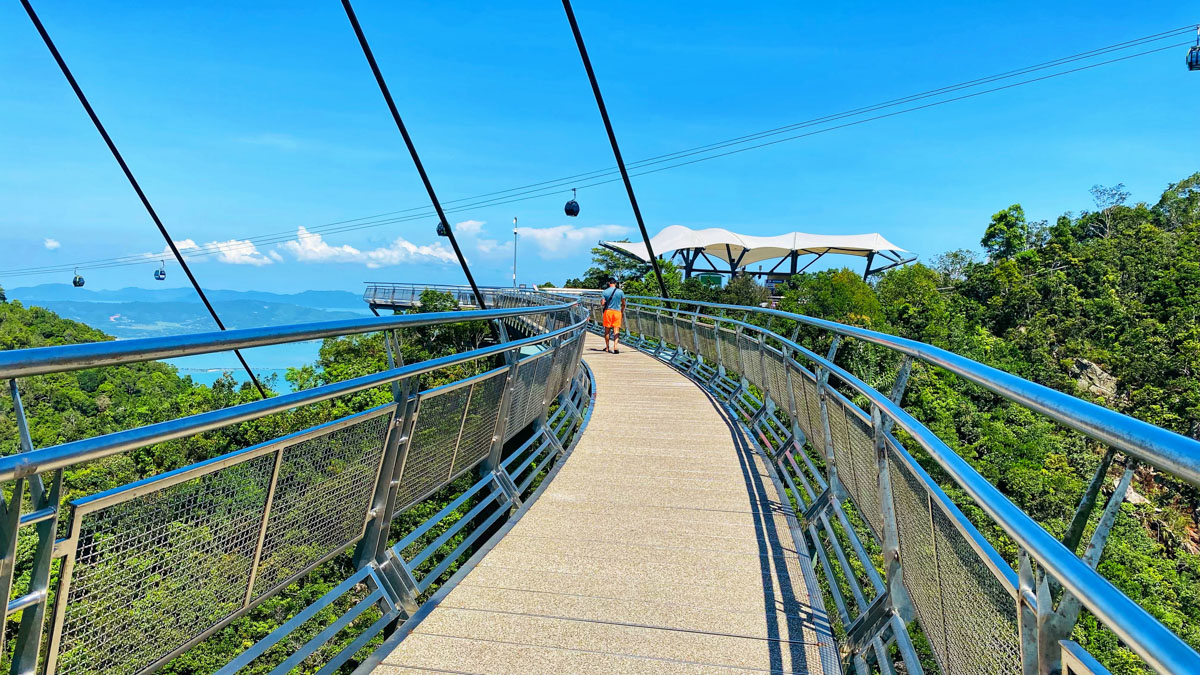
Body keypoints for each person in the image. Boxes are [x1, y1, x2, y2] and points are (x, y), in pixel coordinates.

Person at [600, 278, 626, 353]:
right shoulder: (620, 292)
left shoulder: (605, 292)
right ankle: (615, 347)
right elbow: (623, 303)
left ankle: (607, 347)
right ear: (615, 283)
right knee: (616, 330)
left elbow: (602, 303)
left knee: (607, 330)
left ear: (608, 283)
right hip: (617, 312)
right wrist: (622, 311)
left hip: (608, 312)